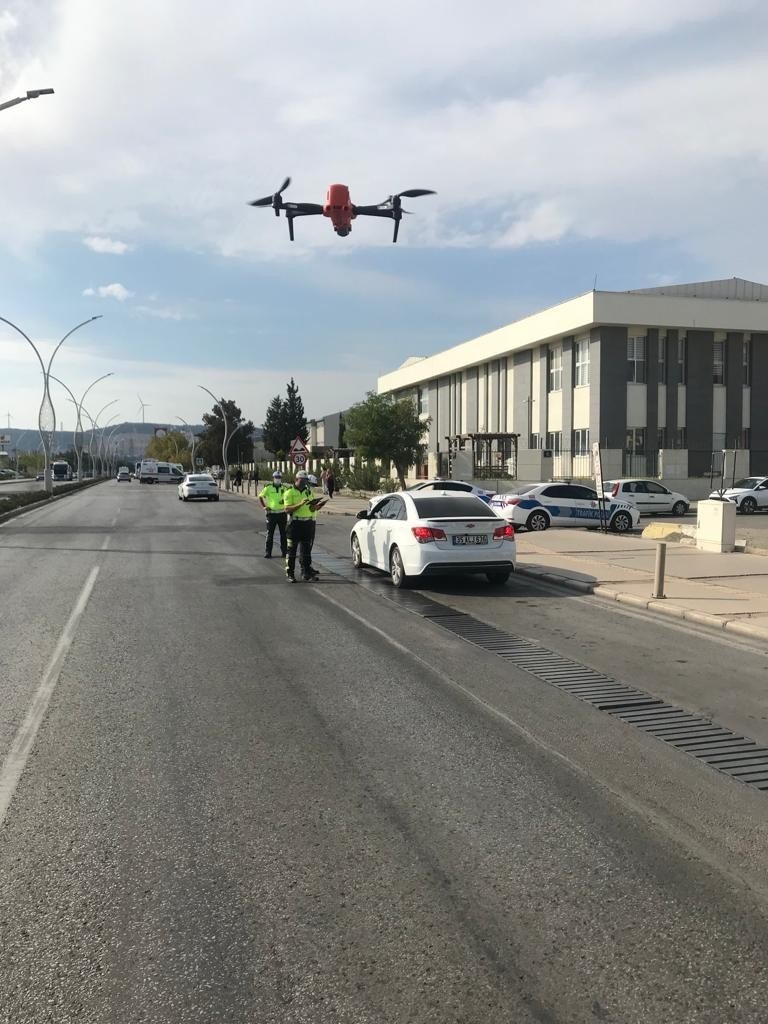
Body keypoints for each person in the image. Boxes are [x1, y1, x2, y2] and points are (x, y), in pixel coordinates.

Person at [282, 469, 321, 582]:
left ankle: (306, 573)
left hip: (307, 524)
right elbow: (287, 509)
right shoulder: (289, 492)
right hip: (295, 524)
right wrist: (300, 504)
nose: (304, 483)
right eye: (302, 480)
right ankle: (290, 574)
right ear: (296, 480)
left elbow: (311, 507)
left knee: (306, 551)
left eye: (305, 480)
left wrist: (316, 506)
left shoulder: (308, 492)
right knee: (292, 551)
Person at [258, 471, 288, 559]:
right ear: (273, 478)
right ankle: (268, 552)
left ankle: (284, 552)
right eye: (276, 478)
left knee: (283, 534)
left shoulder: (285, 488)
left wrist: (285, 502)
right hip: (271, 514)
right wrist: (264, 506)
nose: (278, 479)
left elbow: (288, 498)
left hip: (282, 514)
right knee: (270, 534)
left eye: (279, 478)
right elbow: (260, 496)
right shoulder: (268, 488)